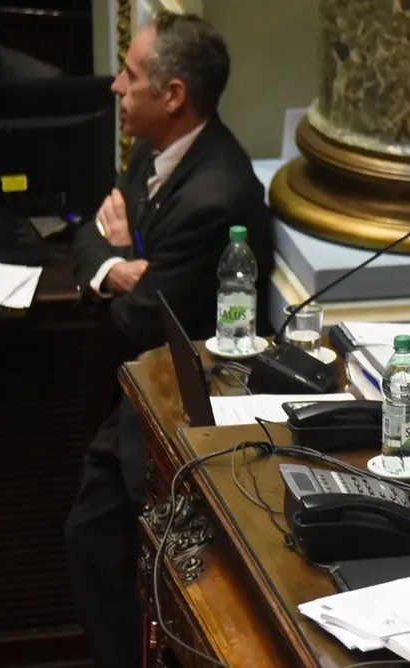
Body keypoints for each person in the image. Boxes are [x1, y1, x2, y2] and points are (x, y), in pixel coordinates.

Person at [65, 13, 272, 668]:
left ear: (173, 95)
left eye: (129, 76)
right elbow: (92, 227)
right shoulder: (154, 149)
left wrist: (119, 255)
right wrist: (115, 263)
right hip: (142, 389)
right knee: (90, 541)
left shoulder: (216, 195)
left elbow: (138, 320)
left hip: (189, 410)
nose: (115, 87)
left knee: (114, 554)